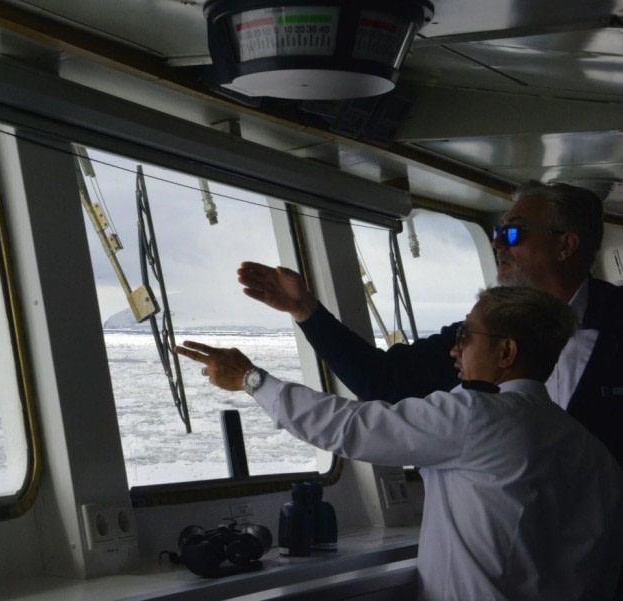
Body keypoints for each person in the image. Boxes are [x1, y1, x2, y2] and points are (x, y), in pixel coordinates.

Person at [175, 287, 623, 601]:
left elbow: (348, 427)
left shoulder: (477, 415)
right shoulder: (592, 451)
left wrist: (251, 380)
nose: (454, 350)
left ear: (506, 352)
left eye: (465, 337)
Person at [236, 181, 623, 469]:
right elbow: (384, 381)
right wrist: (307, 311)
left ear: (566, 245)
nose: (498, 244)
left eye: (512, 232)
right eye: (495, 233)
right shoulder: (477, 341)